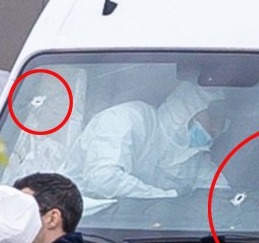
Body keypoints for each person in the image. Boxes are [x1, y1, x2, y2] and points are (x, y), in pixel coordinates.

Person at [72, 81, 227, 199]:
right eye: (212, 120)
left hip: (143, 232)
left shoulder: (194, 159)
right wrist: (165, 199)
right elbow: (102, 180)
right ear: (188, 109)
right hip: (79, 226)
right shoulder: (128, 120)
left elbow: (220, 196)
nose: (215, 130)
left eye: (221, 124)